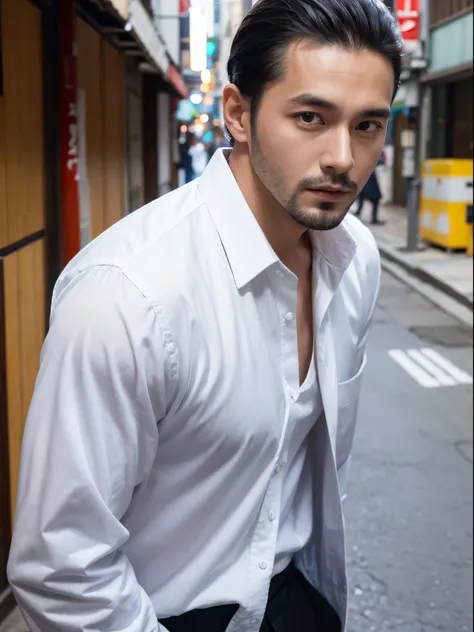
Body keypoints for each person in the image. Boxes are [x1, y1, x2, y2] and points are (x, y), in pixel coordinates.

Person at [7, 1, 402, 631]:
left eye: (367, 127)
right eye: (310, 117)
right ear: (238, 114)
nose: (343, 158)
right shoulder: (129, 296)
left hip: (302, 595)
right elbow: (60, 565)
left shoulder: (355, 261)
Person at [354, 156, 385, 225]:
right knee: (375, 200)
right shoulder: (368, 162)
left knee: (361, 197)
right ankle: (373, 218)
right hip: (369, 185)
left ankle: (359, 211)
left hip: (365, 185)